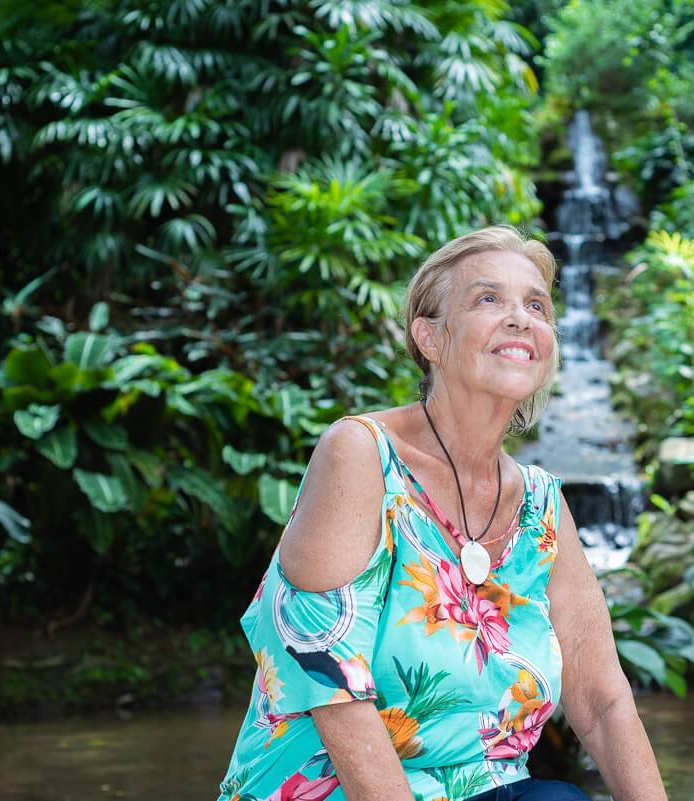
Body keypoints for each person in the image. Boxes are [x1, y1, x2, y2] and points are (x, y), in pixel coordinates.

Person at [217, 226, 669, 801]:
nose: (519, 318)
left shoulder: (542, 504)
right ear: (428, 337)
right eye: (488, 299)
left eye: (536, 304)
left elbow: (603, 704)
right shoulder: (362, 453)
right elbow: (331, 685)